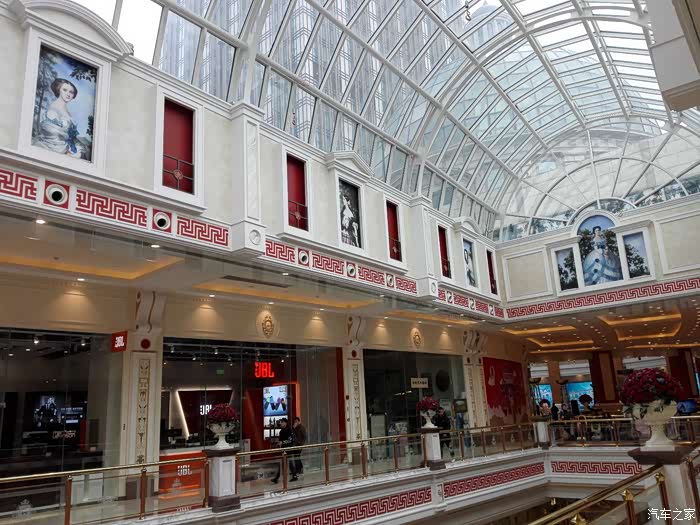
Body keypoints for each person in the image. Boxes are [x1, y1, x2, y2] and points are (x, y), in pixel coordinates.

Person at [33, 78, 87, 159]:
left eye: (71, 92)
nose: (68, 94)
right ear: (58, 90)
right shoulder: (53, 109)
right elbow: (51, 133)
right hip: (53, 147)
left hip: (66, 146)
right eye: (65, 90)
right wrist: (66, 150)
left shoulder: (67, 111)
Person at [271, 418, 297, 484]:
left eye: (282, 422)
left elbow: (290, 440)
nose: (281, 423)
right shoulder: (281, 431)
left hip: (289, 449)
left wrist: (282, 442)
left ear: (285, 423)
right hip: (284, 449)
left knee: (290, 463)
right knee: (283, 463)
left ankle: (294, 476)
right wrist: (279, 444)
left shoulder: (289, 430)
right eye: (281, 422)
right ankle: (277, 478)